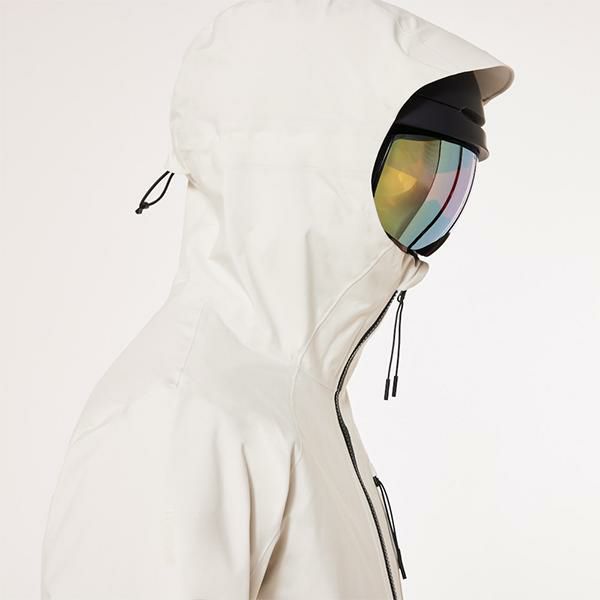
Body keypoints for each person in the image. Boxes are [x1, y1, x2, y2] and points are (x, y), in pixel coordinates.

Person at [41, 1, 514, 599]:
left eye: (446, 184)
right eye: (409, 173)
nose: (422, 214)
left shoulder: (302, 403)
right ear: (304, 168)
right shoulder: (179, 420)